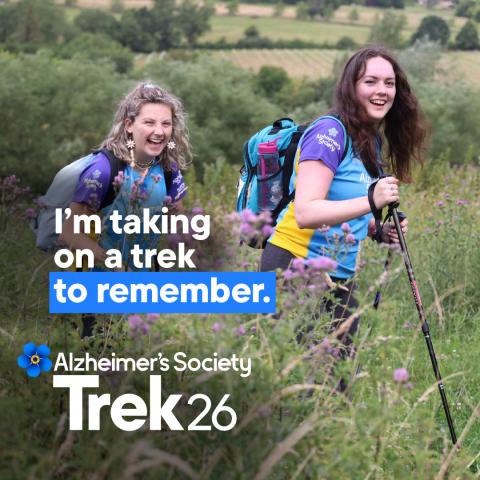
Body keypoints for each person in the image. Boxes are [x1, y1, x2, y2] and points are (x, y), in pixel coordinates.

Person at [260, 46, 427, 384]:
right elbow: (307, 211)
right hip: (294, 265)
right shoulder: (329, 133)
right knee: (304, 387)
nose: (382, 91)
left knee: (337, 386)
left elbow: (340, 209)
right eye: (371, 81)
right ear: (351, 86)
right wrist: (370, 199)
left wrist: (376, 230)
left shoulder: (366, 139)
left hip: (338, 274)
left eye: (389, 83)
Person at [59, 81, 192, 336]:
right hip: (96, 292)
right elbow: (69, 234)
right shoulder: (104, 169)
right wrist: (116, 265)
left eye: (166, 123)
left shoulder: (167, 169)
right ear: (129, 125)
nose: (160, 131)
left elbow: (180, 226)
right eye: (149, 122)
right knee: (98, 366)